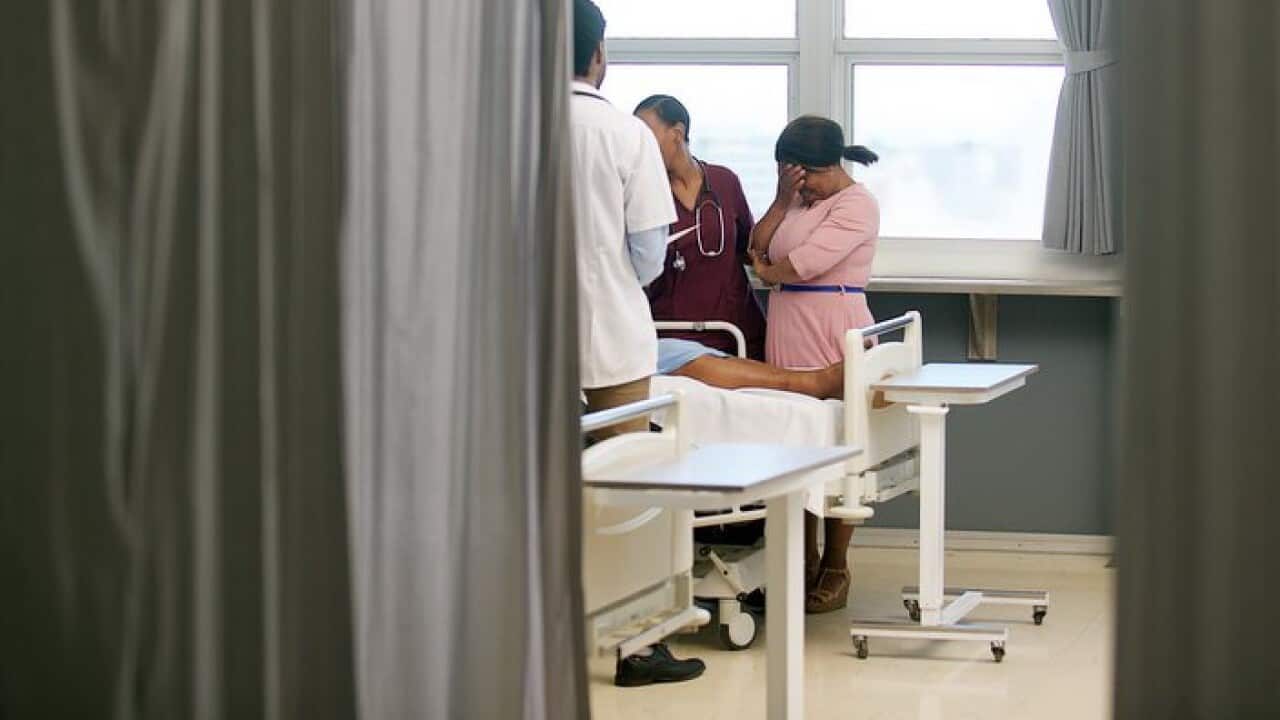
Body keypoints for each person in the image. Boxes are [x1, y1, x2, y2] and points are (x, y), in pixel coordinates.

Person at [570, 0, 707, 688]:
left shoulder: (501, 125)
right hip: (612, 337)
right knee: (632, 488)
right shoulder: (625, 135)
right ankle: (636, 646)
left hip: (521, 340)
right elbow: (651, 253)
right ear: (599, 55)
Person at [748, 115, 881, 614]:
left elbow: (805, 264)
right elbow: (757, 245)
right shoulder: (799, 202)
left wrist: (768, 273)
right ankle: (799, 556)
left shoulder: (857, 204)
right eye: (792, 179)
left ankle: (836, 564)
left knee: (839, 445)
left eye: (804, 178)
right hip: (788, 324)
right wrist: (782, 200)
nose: (804, 188)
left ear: (826, 167)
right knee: (794, 443)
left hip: (832, 324)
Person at [633, 95, 767, 360]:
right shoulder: (642, 192)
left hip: (735, 331)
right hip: (672, 337)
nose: (639, 147)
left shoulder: (724, 182)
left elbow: (748, 248)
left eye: (646, 136)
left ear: (677, 133)